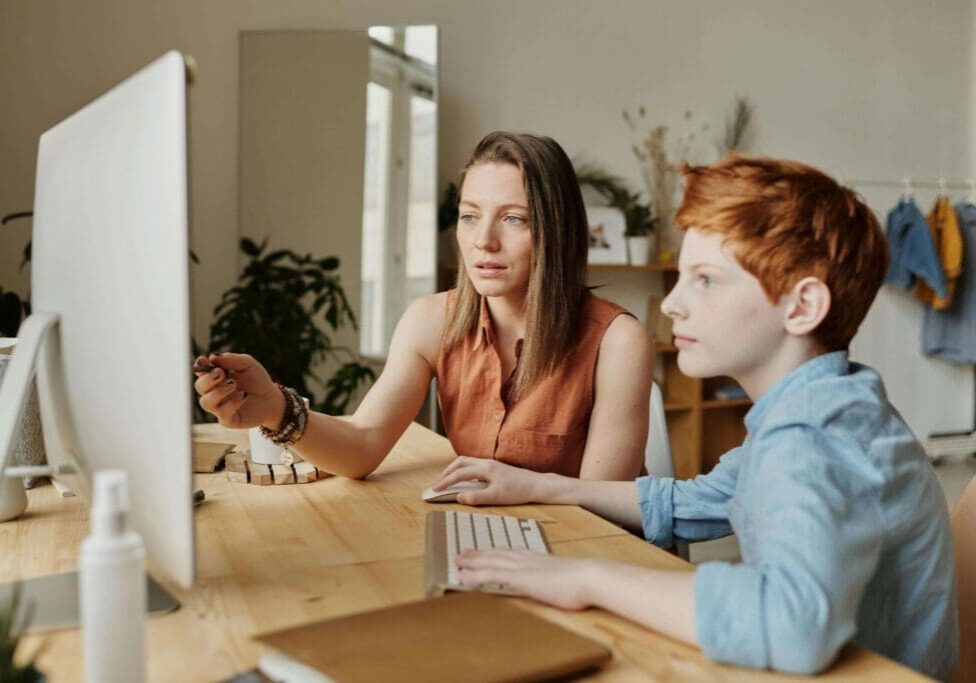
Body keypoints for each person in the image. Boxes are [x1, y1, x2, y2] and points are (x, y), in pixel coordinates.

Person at [432, 156, 959, 679]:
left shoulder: (812, 435)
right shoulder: (826, 403)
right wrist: (538, 485)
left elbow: (791, 625)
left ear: (802, 307)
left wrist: (586, 578)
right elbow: (694, 500)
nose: (672, 305)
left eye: (704, 280)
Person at [194, 131, 653, 481]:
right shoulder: (431, 321)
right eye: (470, 216)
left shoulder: (618, 341)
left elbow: (602, 510)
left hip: (586, 557)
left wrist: (511, 491)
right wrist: (276, 408)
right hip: (491, 541)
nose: (483, 241)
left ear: (557, 231)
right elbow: (362, 444)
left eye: (514, 219)